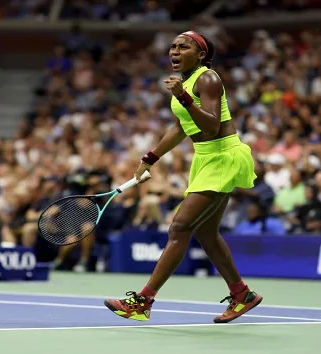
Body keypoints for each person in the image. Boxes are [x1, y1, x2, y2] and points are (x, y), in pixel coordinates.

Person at [103, 31, 262, 324]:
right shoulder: (186, 84)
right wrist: (149, 159)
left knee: (179, 227)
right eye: (173, 47)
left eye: (183, 47)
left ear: (201, 55)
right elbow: (181, 127)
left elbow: (212, 126)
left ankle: (143, 301)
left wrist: (184, 97)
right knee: (205, 232)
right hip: (204, 158)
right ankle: (242, 295)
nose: (174, 51)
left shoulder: (208, 79)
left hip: (223, 156)